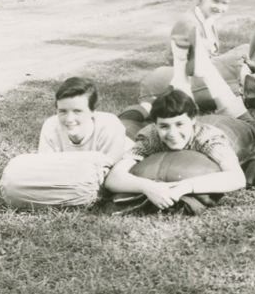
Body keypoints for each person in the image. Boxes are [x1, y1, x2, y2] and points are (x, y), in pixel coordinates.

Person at [104, 90, 246, 211]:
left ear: (192, 119)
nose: (172, 133)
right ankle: (144, 107)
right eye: (164, 126)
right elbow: (113, 179)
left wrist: (186, 186)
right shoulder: (150, 137)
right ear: (155, 125)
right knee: (126, 125)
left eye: (179, 124)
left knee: (240, 123)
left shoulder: (209, 138)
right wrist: (148, 187)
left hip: (232, 126)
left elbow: (237, 178)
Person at [38, 77, 129, 162]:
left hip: (130, 142)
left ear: (93, 111)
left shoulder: (110, 127)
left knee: (132, 119)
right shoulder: (50, 126)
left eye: (77, 111)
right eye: (62, 111)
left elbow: (107, 172)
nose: (69, 119)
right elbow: (46, 168)